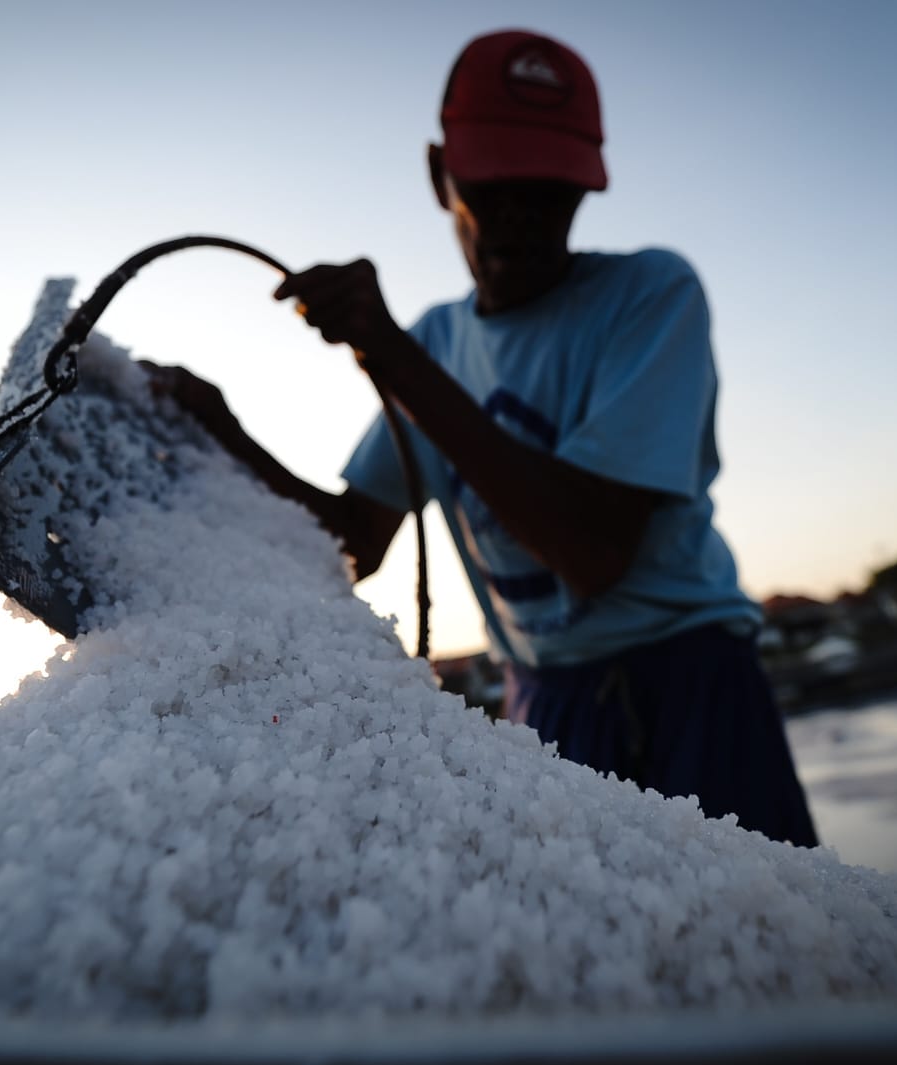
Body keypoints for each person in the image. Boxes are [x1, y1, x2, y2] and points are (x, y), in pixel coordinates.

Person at [149, 29, 818, 847]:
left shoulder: (651, 293)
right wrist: (220, 431)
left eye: (550, 190)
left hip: (691, 679)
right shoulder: (435, 343)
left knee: (758, 946)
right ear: (442, 177)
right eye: (494, 183)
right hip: (544, 698)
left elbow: (593, 552)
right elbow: (351, 545)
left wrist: (389, 351)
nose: (521, 216)